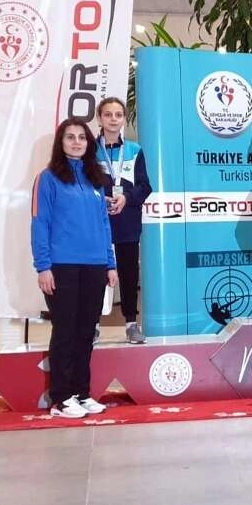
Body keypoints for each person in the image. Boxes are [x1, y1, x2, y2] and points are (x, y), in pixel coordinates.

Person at [31, 117, 117, 419]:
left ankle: (81, 393)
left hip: (94, 267)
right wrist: (43, 266)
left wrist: (110, 264)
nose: (77, 142)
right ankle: (61, 398)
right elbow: (40, 223)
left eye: (82, 137)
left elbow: (104, 224)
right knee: (65, 332)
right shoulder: (47, 179)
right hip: (62, 267)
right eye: (70, 137)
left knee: (86, 333)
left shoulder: (96, 180)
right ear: (61, 142)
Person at [94, 96, 153, 345]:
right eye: (108, 114)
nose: (113, 119)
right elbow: (83, 185)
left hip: (127, 222)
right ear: (100, 118)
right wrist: (101, 199)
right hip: (97, 223)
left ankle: (131, 323)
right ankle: (92, 325)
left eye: (118, 115)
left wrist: (126, 199)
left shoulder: (134, 150)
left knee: (129, 274)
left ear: (123, 119)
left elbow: (145, 186)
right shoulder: (89, 151)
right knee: (96, 273)